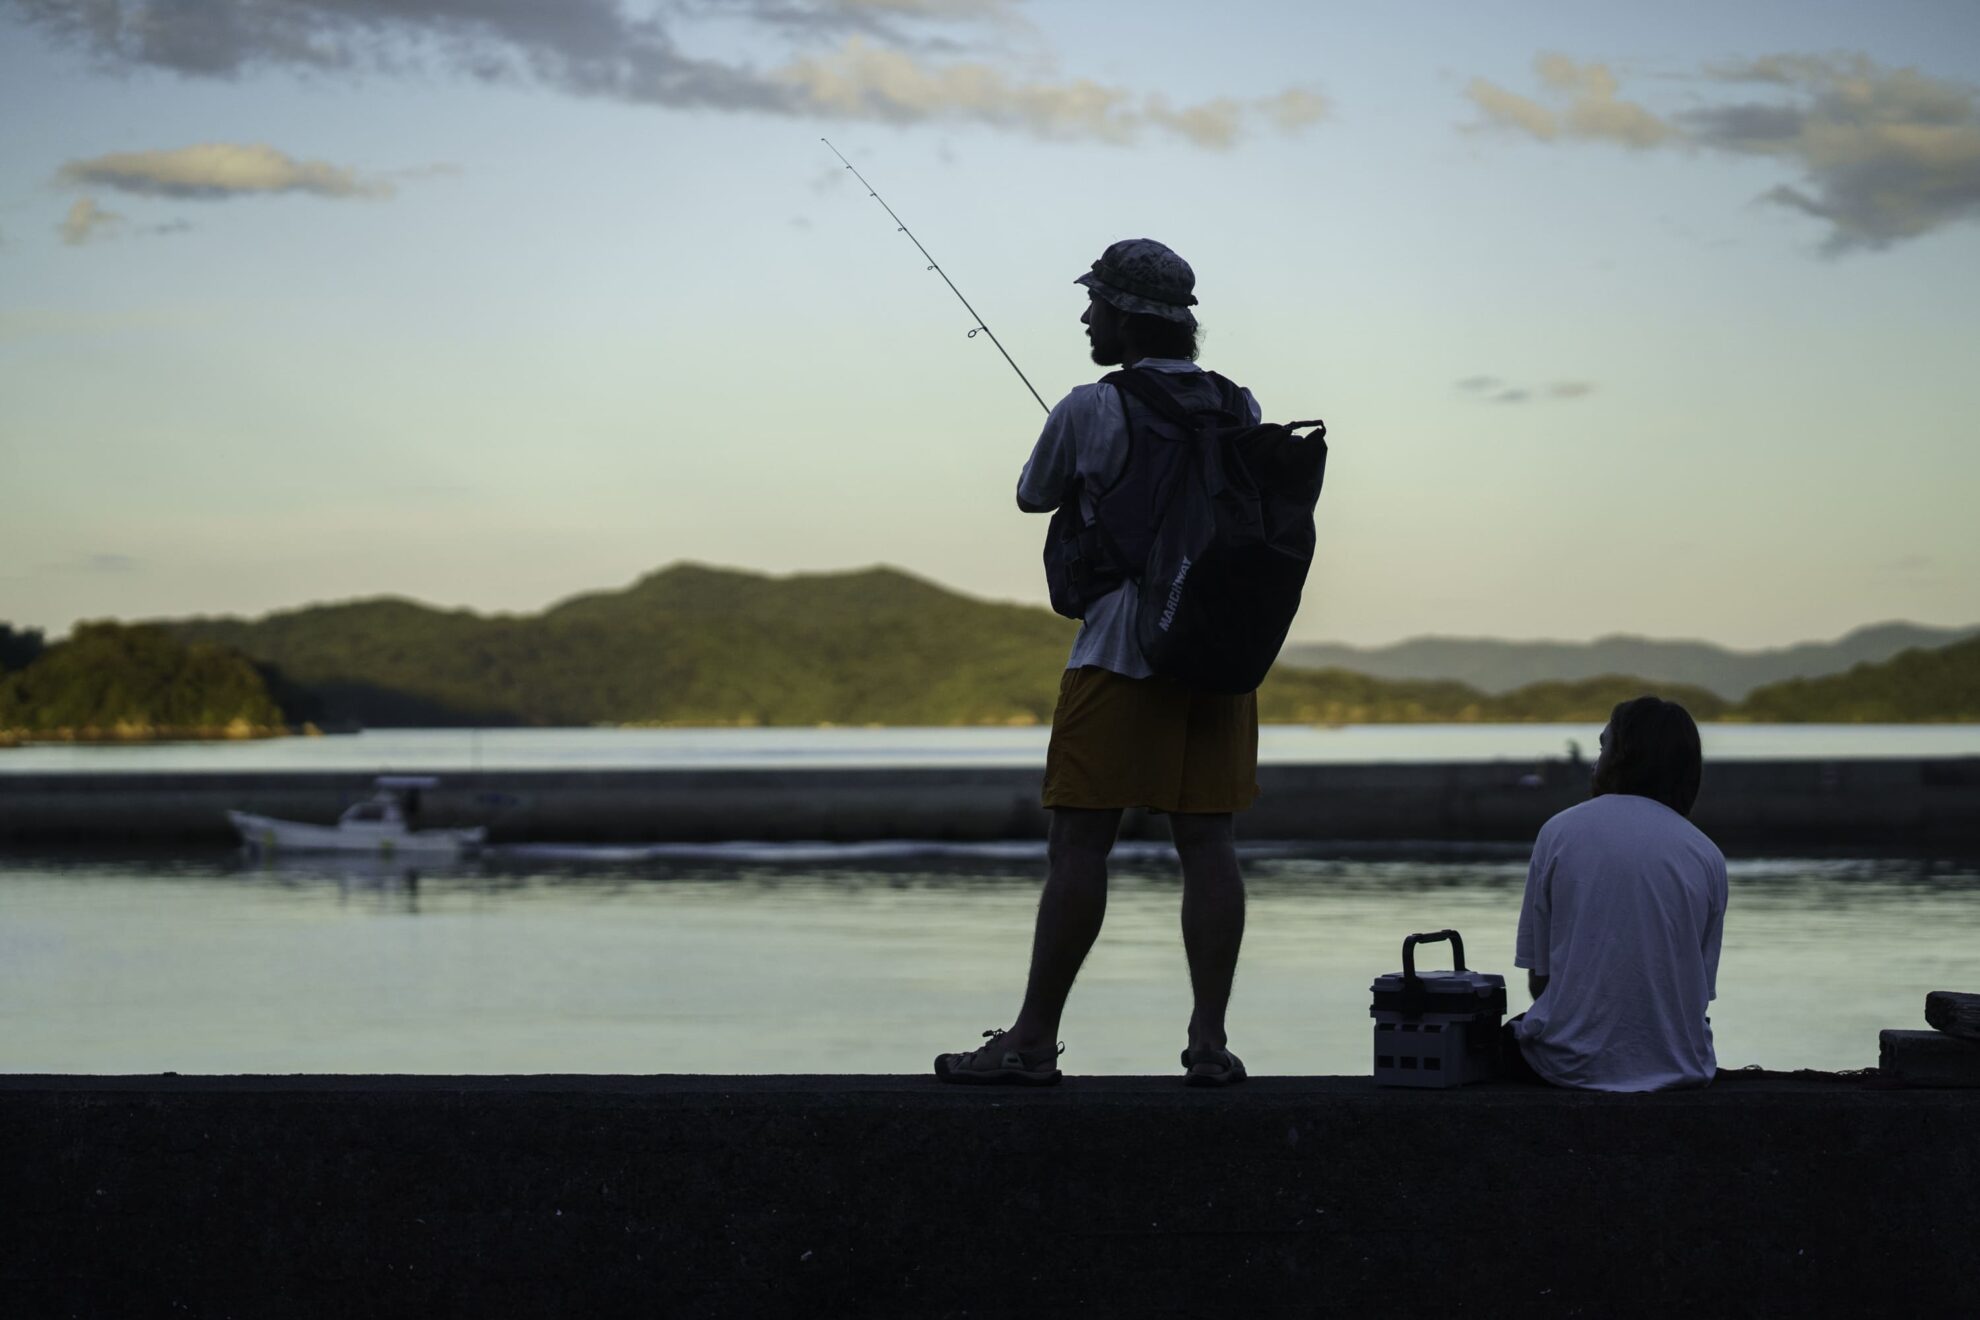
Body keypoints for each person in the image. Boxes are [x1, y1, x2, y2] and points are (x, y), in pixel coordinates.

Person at [935, 238, 1262, 1088]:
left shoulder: (1091, 406)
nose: (1086, 316)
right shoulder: (1240, 404)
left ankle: (1033, 1040)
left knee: (1080, 842)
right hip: (1218, 652)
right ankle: (1210, 1042)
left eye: (1095, 304)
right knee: (1209, 842)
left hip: (1120, 648)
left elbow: (1032, 494)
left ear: (1126, 313)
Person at [1505, 696, 1728, 1091]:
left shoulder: (1560, 832)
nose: (1595, 762)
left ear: (1623, 757)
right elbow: (1697, 994)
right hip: (1682, 1067)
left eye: (1604, 746)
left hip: (1568, 1064)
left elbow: (1540, 981)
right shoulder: (1706, 854)